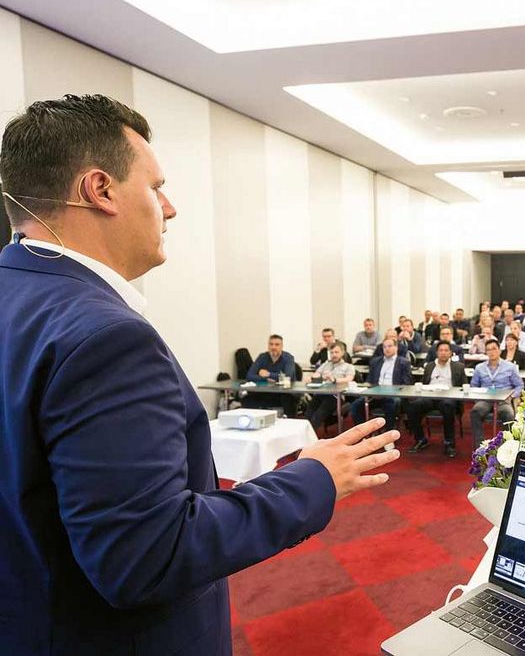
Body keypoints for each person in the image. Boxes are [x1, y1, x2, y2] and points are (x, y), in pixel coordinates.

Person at [0, 94, 400, 654]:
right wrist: (314, 478)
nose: (169, 208)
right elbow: (147, 555)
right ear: (100, 190)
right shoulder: (106, 337)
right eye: (155, 187)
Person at [406, 341, 467, 458]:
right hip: (429, 397)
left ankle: (449, 443)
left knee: (448, 406)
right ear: (436, 352)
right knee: (413, 406)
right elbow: (424, 383)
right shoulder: (430, 366)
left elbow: (463, 386)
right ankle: (420, 439)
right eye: (441, 350)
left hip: (449, 398)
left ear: (451, 353)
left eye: (446, 350)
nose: (443, 353)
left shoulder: (458, 367)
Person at [350, 337, 412, 431]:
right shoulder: (375, 362)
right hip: (375, 395)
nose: (387, 349)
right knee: (356, 405)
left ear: (396, 348)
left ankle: (388, 433)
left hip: (393, 395)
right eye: (384, 347)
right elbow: (369, 380)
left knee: (392, 404)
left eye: (390, 346)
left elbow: (406, 383)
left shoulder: (404, 362)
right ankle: (364, 432)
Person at [469, 339, 524, 446]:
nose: (491, 352)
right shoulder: (479, 368)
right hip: (485, 400)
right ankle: (479, 446)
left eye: (494, 349)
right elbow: (473, 385)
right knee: (475, 412)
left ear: (499, 350)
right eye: (488, 350)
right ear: (486, 352)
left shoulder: (510, 367)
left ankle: (506, 445)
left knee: (509, 414)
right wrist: (477, 398)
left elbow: (519, 385)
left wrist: (512, 396)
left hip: (504, 400)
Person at [243, 333, 299, 415]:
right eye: (271, 344)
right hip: (266, 391)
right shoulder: (262, 357)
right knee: (247, 400)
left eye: (277, 345)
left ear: (282, 346)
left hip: (284, 392)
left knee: (288, 400)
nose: (273, 347)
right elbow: (249, 376)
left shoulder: (288, 358)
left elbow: (287, 377)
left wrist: (268, 374)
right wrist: (266, 379)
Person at [304, 343, 356, 430]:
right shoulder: (326, 365)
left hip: (336, 396)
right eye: (332, 352)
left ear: (342, 353)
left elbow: (349, 379)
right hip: (321, 393)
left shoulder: (348, 366)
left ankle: (309, 433)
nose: (334, 355)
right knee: (309, 412)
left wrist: (334, 380)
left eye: (336, 352)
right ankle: (305, 432)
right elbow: (316, 374)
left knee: (319, 415)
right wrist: (316, 377)